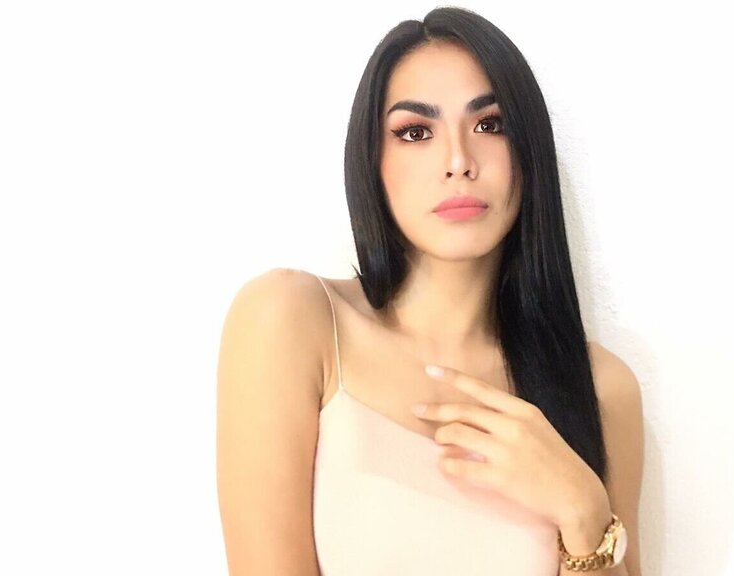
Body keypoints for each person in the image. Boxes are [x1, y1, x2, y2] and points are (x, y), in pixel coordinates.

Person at [216, 6, 643, 575]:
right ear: (373, 162)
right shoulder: (291, 320)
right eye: (415, 132)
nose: (459, 161)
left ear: (529, 151)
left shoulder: (601, 386)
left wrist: (584, 511)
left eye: (490, 125)